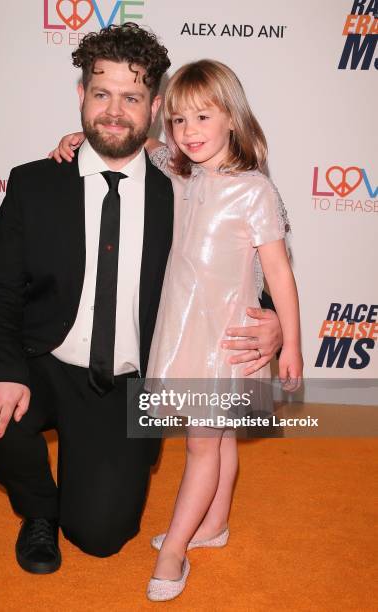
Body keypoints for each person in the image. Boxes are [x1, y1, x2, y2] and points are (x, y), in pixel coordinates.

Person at [0, 23, 283, 580]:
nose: (114, 110)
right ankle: (38, 508)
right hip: (44, 360)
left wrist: (271, 318)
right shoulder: (36, 182)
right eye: (101, 92)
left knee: (103, 537)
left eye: (131, 97)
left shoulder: (180, 185)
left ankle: (109, 469)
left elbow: (232, 259)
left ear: (155, 107)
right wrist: (4, 366)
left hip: (128, 383)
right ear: (81, 96)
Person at [53, 58, 302, 601]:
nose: (188, 133)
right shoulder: (177, 168)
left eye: (202, 119)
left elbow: (279, 272)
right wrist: (81, 139)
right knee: (220, 440)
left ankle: (175, 550)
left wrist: (293, 346)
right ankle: (214, 524)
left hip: (226, 341)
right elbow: (133, 145)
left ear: (231, 118)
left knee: (201, 448)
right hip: (184, 331)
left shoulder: (254, 191)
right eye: (179, 121)